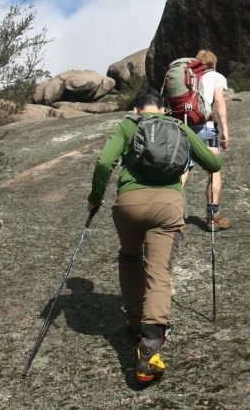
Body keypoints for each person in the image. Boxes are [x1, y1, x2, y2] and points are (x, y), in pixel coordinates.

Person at [88, 87, 221, 383]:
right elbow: (214, 164)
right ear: (162, 109)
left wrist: (95, 198)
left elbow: (103, 163)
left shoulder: (126, 125)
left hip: (129, 205)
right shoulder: (178, 126)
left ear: (136, 110)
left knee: (130, 258)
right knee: (158, 270)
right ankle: (150, 346)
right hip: (167, 206)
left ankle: (135, 323)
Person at [184, 49, 232, 229]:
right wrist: (225, 129)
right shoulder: (215, 76)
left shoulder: (186, 77)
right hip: (206, 128)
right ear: (214, 63)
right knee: (214, 170)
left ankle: (169, 215)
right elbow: (219, 101)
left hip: (183, 127)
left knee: (182, 171)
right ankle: (213, 218)